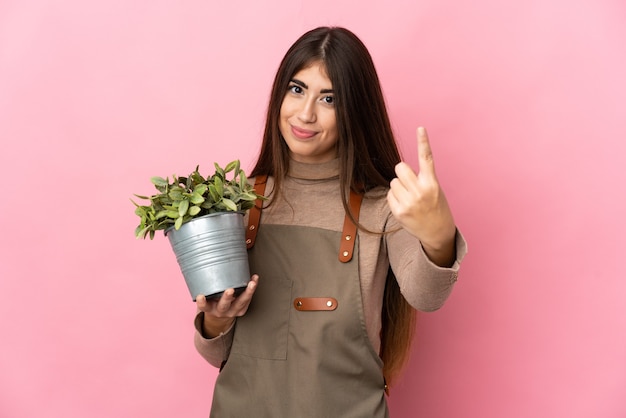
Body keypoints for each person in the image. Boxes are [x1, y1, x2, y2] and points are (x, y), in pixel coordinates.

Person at [193, 26, 467, 417]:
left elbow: (427, 296)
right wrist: (215, 320)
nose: (305, 113)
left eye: (329, 98)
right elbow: (217, 351)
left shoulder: (385, 207)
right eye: (297, 89)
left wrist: (438, 235)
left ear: (355, 109)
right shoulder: (237, 201)